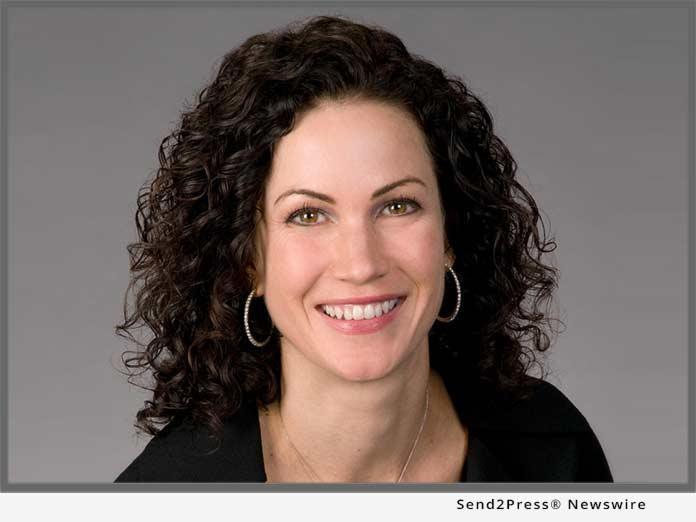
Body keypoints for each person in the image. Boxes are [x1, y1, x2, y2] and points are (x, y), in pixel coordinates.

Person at [115, 15, 612, 483]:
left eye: (397, 206)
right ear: (249, 260)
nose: (361, 264)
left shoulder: (554, 453)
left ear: (450, 235)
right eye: (308, 215)